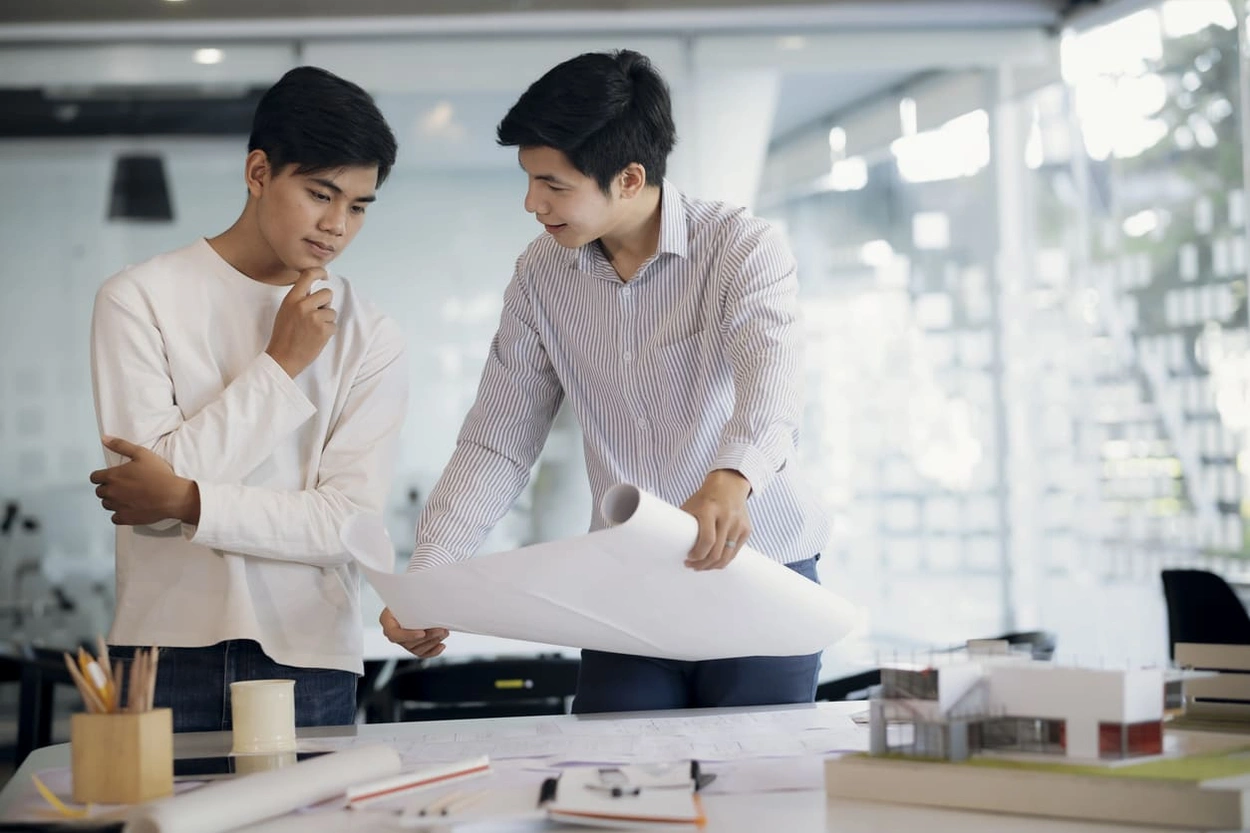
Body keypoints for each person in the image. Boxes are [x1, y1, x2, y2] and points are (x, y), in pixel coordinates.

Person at [382, 49, 831, 713]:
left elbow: (773, 380)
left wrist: (731, 476)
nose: (532, 202)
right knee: (609, 777)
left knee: (752, 786)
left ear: (628, 178)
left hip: (759, 571)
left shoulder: (741, 248)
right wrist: (430, 574)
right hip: (631, 583)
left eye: (553, 184)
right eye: (530, 179)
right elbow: (497, 442)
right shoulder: (539, 276)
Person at [87, 66, 414, 731]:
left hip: (311, 652)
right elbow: (142, 507)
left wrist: (190, 500)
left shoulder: (371, 333)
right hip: (164, 645)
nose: (337, 225)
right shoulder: (139, 297)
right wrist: (281, 363)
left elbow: (345, 526)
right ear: (259, 172)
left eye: (358, 205)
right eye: (321, 193)